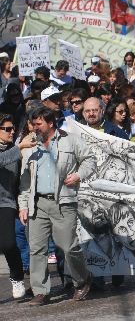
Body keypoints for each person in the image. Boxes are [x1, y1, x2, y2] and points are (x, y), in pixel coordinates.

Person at [18, 107, 95, 305]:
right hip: (37, 203)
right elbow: (25, 180)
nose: (34, 128)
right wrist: (23, 205)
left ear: (50, 123)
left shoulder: (69, 140)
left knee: (68, 247)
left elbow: (90, 160)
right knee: (37, 249)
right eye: (32, 124)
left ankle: (82, 279)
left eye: (38, 124)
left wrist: (79, 175)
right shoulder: (29, 145)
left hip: (63, 201)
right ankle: (41, 291)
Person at [0, 114, 36, 299]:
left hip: (5, 202)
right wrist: (19, 147)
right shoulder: (16, 149)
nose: (12, 132)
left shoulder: (16, 150)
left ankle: (16, 277)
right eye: (7, 129)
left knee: (8, 243)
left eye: (13, 128)